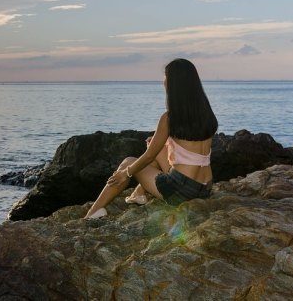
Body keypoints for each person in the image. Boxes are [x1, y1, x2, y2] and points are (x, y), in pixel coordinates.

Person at [84, 58, 217, 219]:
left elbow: (148, 157)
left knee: (128, 161)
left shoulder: (169, 118)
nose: (164, 81)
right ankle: (139, 193)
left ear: (173, 83)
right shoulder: (207, 114)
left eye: (166, 77)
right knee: (154, 144)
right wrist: (156, 144)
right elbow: (183, 149)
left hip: (181, 191)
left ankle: (93, 212)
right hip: (204, 188)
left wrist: (125, 173)